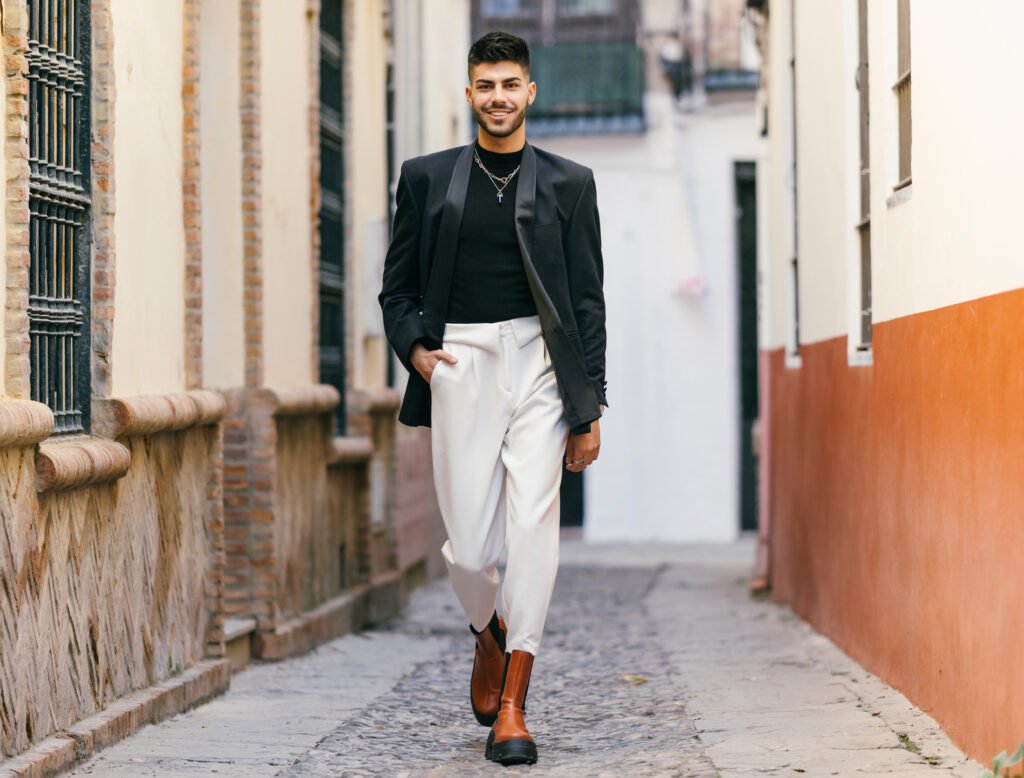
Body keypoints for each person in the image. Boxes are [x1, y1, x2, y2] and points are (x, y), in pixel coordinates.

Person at [377, 30, 608, 766]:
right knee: (471, 545)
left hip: (540, 365)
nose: (499, 97)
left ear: (529, 92)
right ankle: (489, 634)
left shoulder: (570, 184)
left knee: (535, 525)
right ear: (469, 93)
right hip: (460, 364)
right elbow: (398, 287)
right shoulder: (425, 178)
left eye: (511, 84)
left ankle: (514, 703)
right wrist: (417, 350)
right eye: (487, 85)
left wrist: (589, 407)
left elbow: (588, 302)